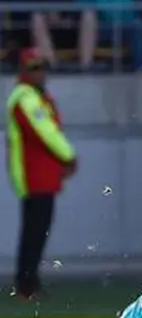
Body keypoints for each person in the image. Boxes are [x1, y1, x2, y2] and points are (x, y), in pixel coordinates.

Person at [5, 47, 77, 300]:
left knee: (36, 230)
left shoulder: (34, 95)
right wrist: (68, 155)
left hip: (42, 175)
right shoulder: (25, 98)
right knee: (34, 231)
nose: (40, 73)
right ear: (24, 71)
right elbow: (45, 131)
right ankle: (27, 284)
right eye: (34, 68)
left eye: (42, 67)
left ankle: (28, 281)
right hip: (35, 176)